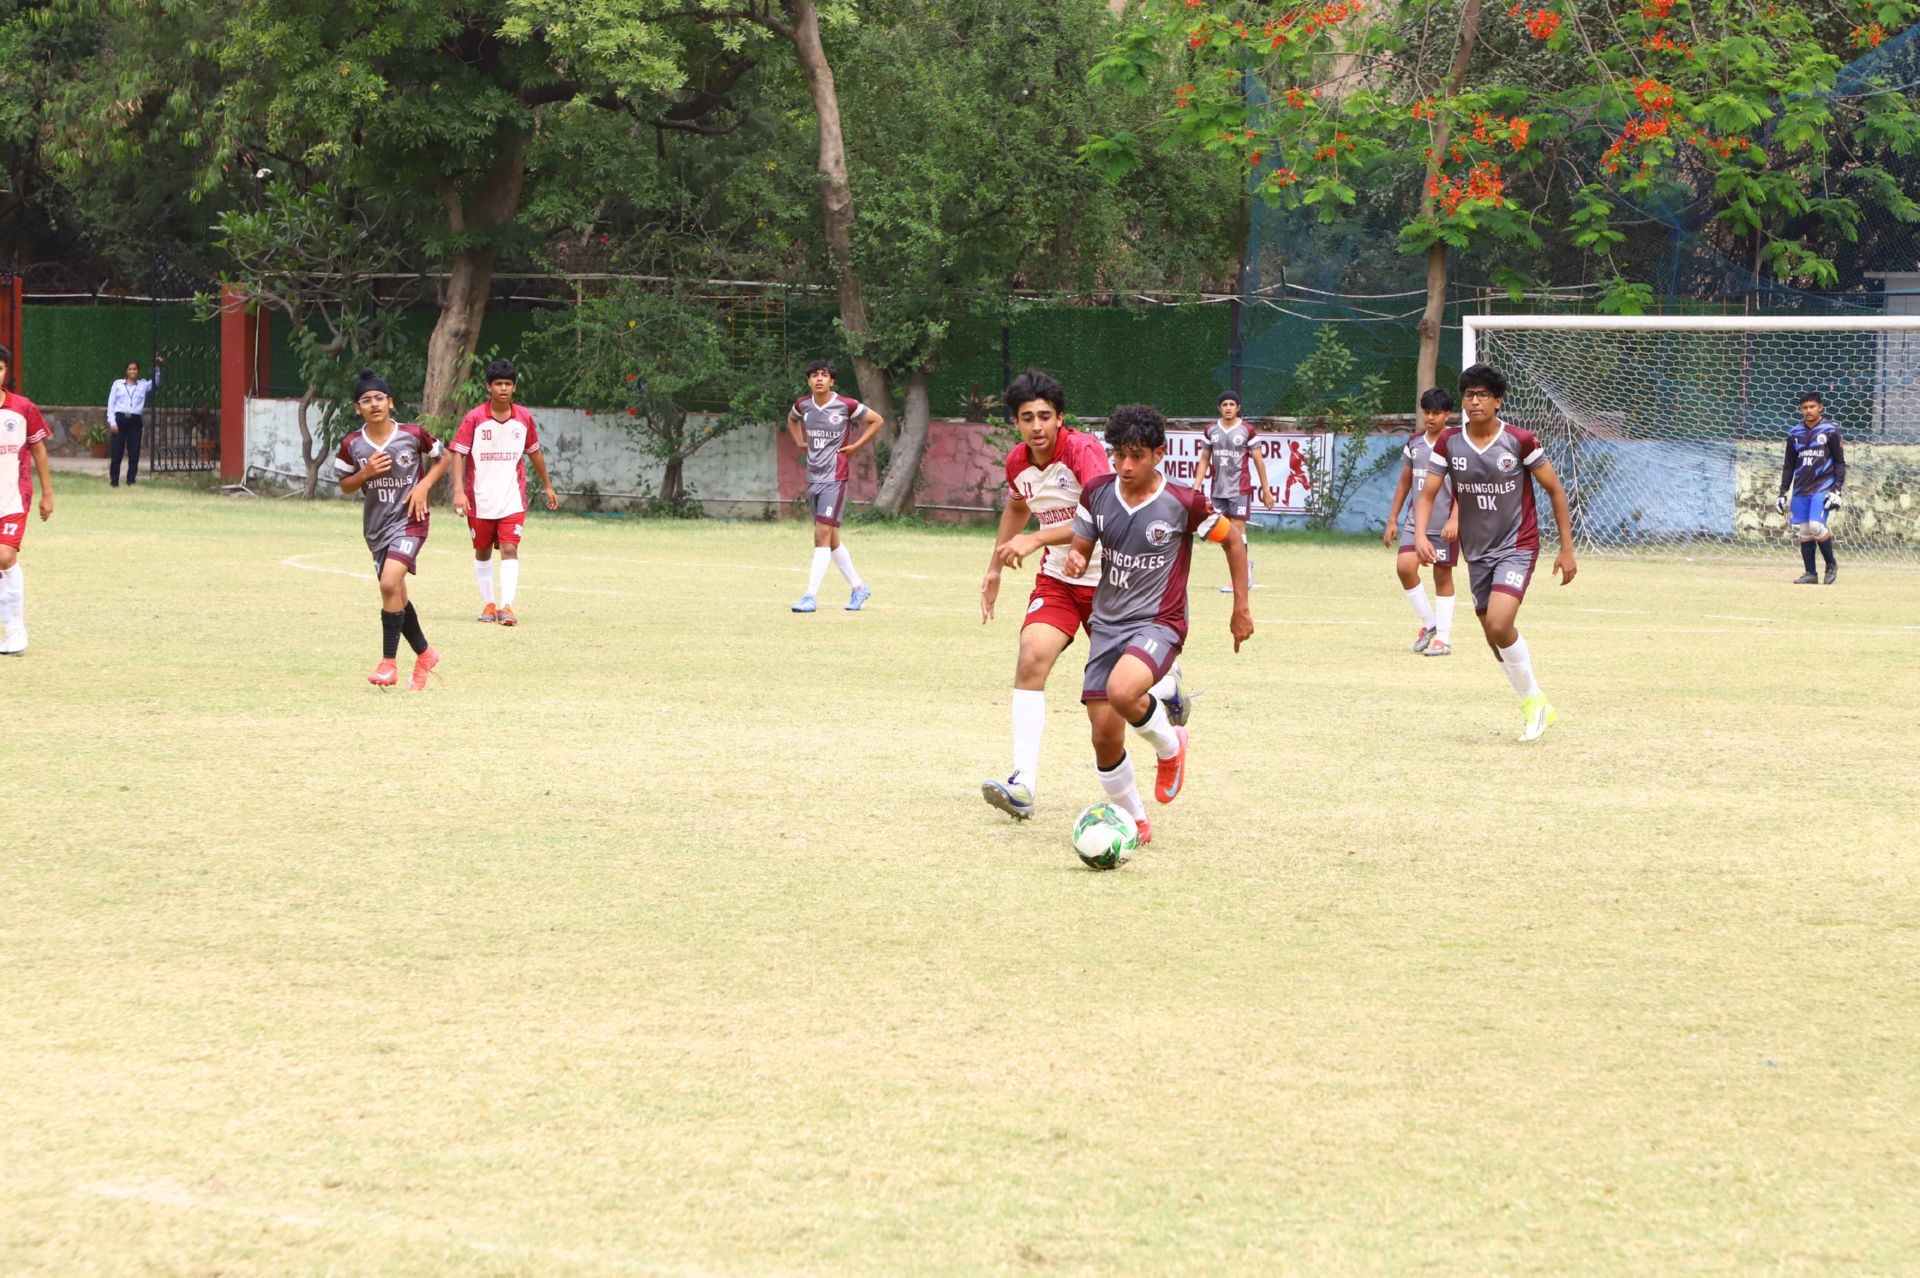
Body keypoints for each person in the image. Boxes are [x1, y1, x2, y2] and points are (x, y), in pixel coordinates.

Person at [979, 369, 1192, 822]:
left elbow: (1102, 510)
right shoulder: (1017, 462)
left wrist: (1036, 538)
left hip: (1113, 587)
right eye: (1026, 418)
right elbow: (1017, 506)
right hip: (1058, 581)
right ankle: (1023, 784)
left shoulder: (1082, 450)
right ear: (1016, 422)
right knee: (1031, 657)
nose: (1036, 426)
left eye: (1044, 416)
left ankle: (1165, 687)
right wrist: (995, 565)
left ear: (1060, 418)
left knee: (1118, 702)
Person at [1061, 403, 1253, 844]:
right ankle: (1135, 820)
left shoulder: (1183, 502)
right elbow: (1081, 547)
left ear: (1158, 454)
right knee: (1104, 736)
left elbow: (1233, 541)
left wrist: (1240, 607)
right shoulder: (1096, 494)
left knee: (1123, 691)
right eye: (1118, 455)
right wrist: (1075, 558)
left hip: (1158, 622)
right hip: (1107, 624)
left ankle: (1171, 747)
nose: (1125, 466)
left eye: (1137, 456)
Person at [1413, 364, 1576, 742]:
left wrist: (1566, 549)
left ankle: (1534, 704)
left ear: (1498, 401)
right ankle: (1535, 701)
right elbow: (1427, 494)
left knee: (1500, 624)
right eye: (1469, 395)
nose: (1474, 401)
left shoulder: (1520, 441)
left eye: (1483, 394)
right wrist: (1421, 535)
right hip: (1478, 552)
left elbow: (1555, 490)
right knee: (1492, 635)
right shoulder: (1449, 443)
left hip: (1517, 546)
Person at [334, 369, 452, 689]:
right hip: (377, 528)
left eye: (379, 398)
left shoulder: (412, 435)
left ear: (391, 403)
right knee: (396, 594)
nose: (374, 404)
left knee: (388, 584)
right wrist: (365, 473)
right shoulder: (352, 445)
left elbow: (444, 457)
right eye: (366, 400)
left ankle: (388, 664)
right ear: (357, 408)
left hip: (411, 520)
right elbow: (344, 484)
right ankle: (425, 654)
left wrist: (424, 486)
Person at [451, 359, 559, 625]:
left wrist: (547, 485)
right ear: (488, 387)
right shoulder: (474, 418)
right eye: (498, 383)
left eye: (508, 384)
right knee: (483, 550)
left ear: (514, 387)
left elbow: (534, 452)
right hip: (480, 499)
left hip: (512, 499)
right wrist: (458, 491)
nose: (503, 388)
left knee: (510, 548)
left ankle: (507, 607)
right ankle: (489, 605)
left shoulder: (524, 418)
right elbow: (458, 454)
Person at [786, 359, 883, 613]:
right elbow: (792, 420)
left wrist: (856, 446)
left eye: (824, 375)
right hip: (813, 478)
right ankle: (859, 588)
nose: (819, 379)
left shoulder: (846, 405)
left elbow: (877, 420)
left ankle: (810, 596)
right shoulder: (803, 405)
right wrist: (799, 442)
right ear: (809, 380)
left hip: (834, 479)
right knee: (831, 540)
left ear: (832, 381)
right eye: (814, 375)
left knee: (821, 536)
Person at [1382, 387, 1462, 656]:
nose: (1429, 417)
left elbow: (1464, 486)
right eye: (1426, 412)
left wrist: (1455, 519)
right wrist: (1392, 519)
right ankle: (1430, 623)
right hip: (1416, 522)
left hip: (1444, 525)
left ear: (1447, 414)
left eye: (1436, 413)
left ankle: (1444, 639)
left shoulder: (1455, 443)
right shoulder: (1415, 443)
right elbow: (1405, 481)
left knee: (1442, 575)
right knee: (1405, 568)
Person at [0, 345, 54, 655]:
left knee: (5, 556)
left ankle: (15, 629)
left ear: (6, 371)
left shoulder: (23, 408)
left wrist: (47, 493)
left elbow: (39, 450)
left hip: (13, 497)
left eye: (0, 368)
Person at [1192, 391, 1274, 592]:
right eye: (1224, 404)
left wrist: (1266, 490)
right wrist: (1195, 487)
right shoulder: (1211, 430)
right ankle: (1245, 564)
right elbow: (1204, 459)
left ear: (1238, 408)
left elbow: (1259, 461)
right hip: (1218, 490)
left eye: (1232, 404)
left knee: (1237, 533)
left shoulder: (1247, 430)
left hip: (1240, 489)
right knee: (1223, 536)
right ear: (1219, 408)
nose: (1228, 407)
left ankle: (1242, 578)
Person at [1776, 391, 1846, 585]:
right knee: (1805, 531)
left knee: (1816, 526)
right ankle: (1810, 574)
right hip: (1801, 488)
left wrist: (1837, 490)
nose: (1809, 411)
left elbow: (1840, 463)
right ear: (1800, 409)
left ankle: (1831, 564)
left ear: (1820, 407)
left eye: (1812, 407)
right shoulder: (1794, 433)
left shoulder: (1830, 431)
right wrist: (1782, 493)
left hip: (1823, 487)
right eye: (1805, 407)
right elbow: (1789, 465)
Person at [105, 356, 163, 488]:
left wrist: (157, 368)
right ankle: (114, 481)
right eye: (130, 369)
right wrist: (112, 422)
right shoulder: (118, 384)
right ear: (126, 371)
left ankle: (131, 480)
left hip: (135, 421)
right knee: (117, 451)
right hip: (120, 419)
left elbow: (156, 383)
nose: (132, 371)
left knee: (134, 451)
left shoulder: (143, 385)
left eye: (135, 369)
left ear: (138, 371)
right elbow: (111, 404)